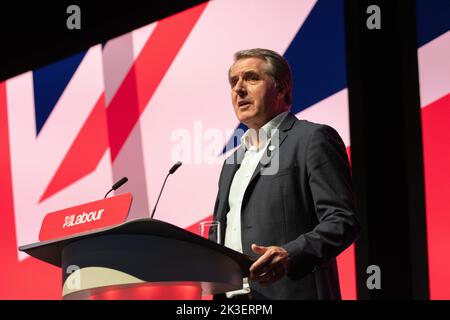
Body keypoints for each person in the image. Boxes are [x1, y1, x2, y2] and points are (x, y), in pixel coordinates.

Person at [210, 48, 360, 300]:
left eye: (251, 78)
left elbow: (343, 221)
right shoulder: (231, 162)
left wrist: (291, 255)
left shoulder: (311, 139)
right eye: (234, 82)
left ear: (281, 88)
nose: (239, 89)